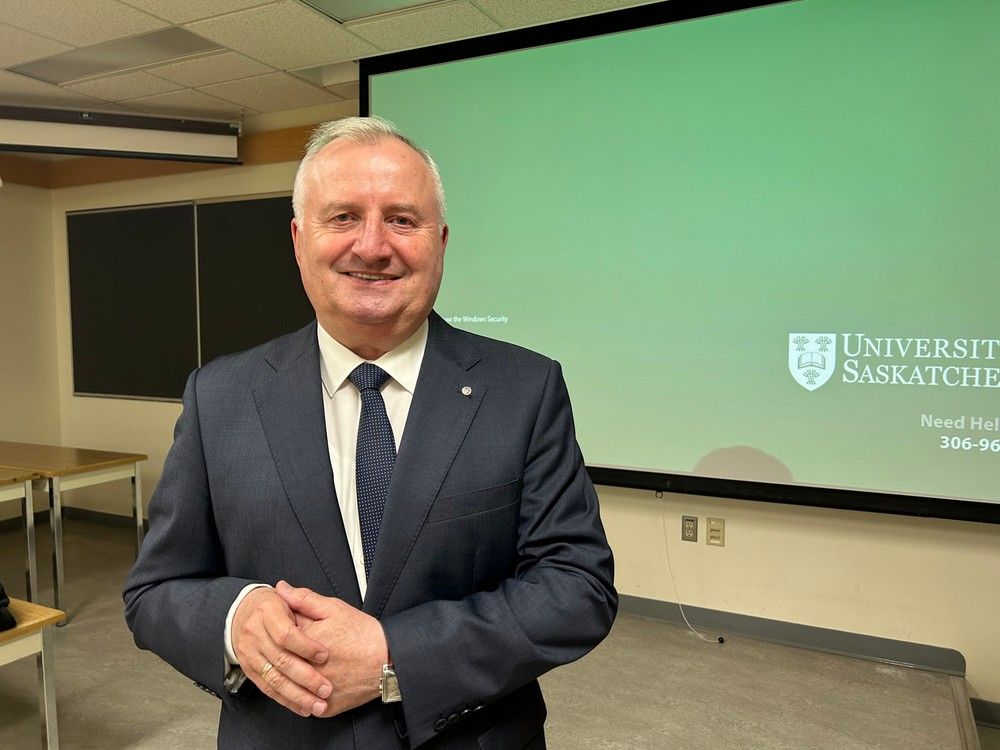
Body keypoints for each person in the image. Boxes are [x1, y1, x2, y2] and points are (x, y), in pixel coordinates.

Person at [124, 116, 617, 749]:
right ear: (300, 239)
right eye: (343, 217)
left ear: (440, 241)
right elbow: (155, 590)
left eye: (403, 220)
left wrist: (395, 655)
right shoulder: (219, 396)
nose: (373, 245)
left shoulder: (524, 388)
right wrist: (235, 619)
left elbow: (577, 586)